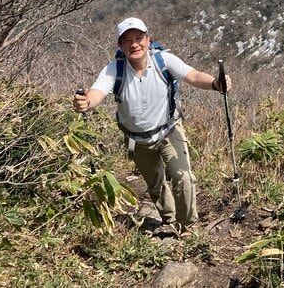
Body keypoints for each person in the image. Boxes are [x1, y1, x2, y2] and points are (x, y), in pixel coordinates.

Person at [73, 17, 232, 235]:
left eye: (139, 38)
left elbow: (193, 75)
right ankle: (168, 219)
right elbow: (96, 93)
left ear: (148, 40)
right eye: (127, 40)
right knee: (155, 184)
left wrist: (215, 83)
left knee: (183, 177)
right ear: (120, 45)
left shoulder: (163, 61)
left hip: (169, 130)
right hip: (136, 139)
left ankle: (187, 227)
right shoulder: (114, 70)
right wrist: (85, 102)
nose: (134, 44)